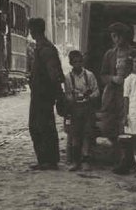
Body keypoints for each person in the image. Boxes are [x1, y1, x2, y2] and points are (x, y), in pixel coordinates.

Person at [26, 17, 65, 171]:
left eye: (31, 30)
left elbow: (54, 74)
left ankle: (48, 160)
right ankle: (47, 160)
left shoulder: (46, 49)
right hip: (41, 93)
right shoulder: (43, 48)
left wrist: (58, 94)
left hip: (43, 94)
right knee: (42, 125)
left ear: (34, 31)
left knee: (40, 126)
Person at [63, 49, 98, 171]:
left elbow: (96, 91)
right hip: (74, 109)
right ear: (71, 63)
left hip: (87, 107)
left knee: (87, 134)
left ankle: (85, 160)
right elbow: (67, 93)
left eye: (80, 61)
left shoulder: (89, 75)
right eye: (75, 62)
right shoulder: (68, 78)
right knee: (75, 135)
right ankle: (75, 161)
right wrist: (72, 97)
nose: (78, 64)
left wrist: (89, 96)